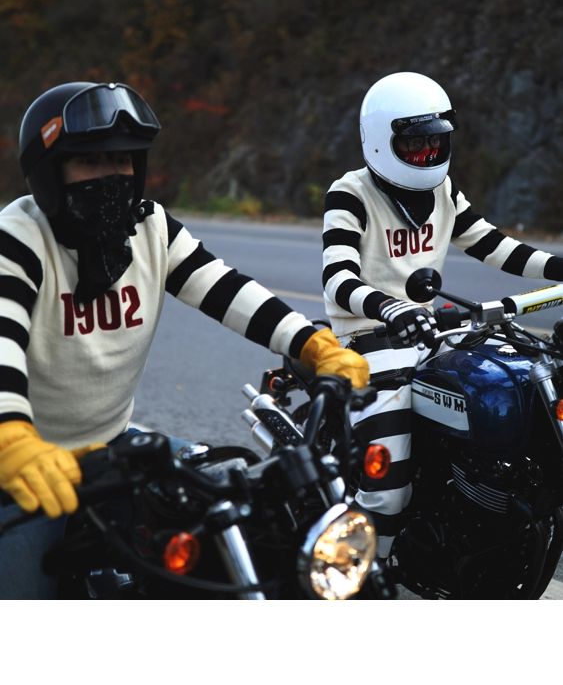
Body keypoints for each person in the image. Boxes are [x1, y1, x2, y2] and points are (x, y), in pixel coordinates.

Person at [0, 80, 369, 599]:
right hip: (22, 463)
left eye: (122, 160)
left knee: (227, 517)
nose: (112, 176)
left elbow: (225, 288)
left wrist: (310, 343)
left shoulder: (149, 227)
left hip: (111, 442)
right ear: (50, 172)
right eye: (90, 161)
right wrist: (12, 438)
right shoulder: (19, 238)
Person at [322, 70, 563, 560]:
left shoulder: (443, 191)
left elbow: (495, 246)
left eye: (435, 141)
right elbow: (338, 278)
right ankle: (365, 569)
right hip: (368, 340)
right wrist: (390, 308)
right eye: (415, 144)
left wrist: (559, 267)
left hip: (428, 332)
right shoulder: (351, 193)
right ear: (381, 139)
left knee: (512, 385)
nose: (427, 153)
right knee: (388, 489)